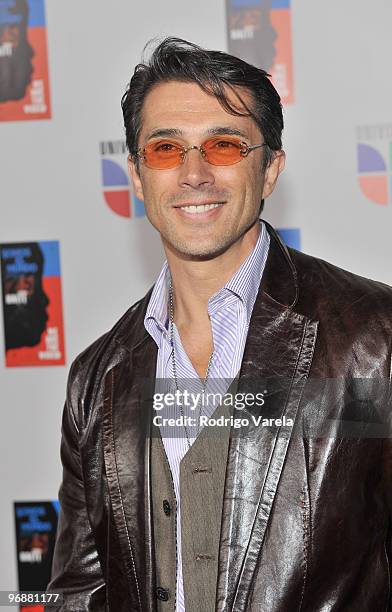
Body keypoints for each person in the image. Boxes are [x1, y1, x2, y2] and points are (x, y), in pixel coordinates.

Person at [47, 37, 392, 611]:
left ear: (271, 167)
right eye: (165, 149)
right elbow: (79, 597)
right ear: (136, 174)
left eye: (224, 145)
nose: (194, 173)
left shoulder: (372, 344)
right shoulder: (98, 378)